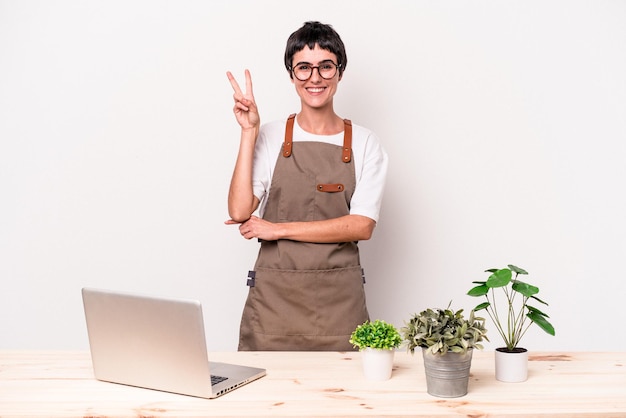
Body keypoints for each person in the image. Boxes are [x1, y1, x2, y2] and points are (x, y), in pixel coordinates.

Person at [226, 21, 388, 351]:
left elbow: (361, 226)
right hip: (274, 305)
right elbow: (240, 210)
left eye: (325, 67)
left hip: (338, 305)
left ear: (339, 73)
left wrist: (277, 229)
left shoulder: (365, 142)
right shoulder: (269, 136)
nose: (315, 78)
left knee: (344, 397)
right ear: (291, 75)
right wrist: (248, 133)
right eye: (304, 68)